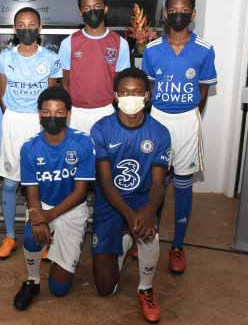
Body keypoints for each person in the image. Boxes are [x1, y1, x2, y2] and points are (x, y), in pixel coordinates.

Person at [142, 0, 217, 275]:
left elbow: (203, 89)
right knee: (157, 182)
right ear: (165, 14)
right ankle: (149, 238)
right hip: (158, 118)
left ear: (193, 14)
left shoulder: (205, 49)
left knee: (184, 182)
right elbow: (147, 89)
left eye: (184, 10)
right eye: (172, 9)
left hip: (186, 120)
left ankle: (178, 247)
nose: (178, 14)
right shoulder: (151, 50)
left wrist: (192, 116)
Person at [90, 68, 171, 323]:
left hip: (142, 199)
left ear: (148, 95)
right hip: (110, 201)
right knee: (105, 289)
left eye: (137, 92)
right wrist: (129, 216)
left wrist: (147, 213)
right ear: (115, 96)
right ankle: (125, 238)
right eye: (124, 92)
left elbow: (158, 183)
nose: (131, 97)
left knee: (148, 230)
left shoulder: (160, 132)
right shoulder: (101, 129)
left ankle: (145, 287)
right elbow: (104, 181)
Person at [12, 87, 95, 310]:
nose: (52, 117)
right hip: (44, 205)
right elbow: (31, 190)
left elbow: (80, 193)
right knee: (31, 236)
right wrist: (38, 217)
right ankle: (33, 280)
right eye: (47, 111)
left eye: (59, 112)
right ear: (39, 114)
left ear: (68, 114)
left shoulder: (83, 144)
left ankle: (62, 254)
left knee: (59, 290)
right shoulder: (29, 147)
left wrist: (48, 217)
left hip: (71, 208)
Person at [0, 7, 61, 260]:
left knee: (42, 184)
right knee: (11, 183)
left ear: (40, 28)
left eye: (31, 24)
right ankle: (10, 236)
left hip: (40, 124)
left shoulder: (51, 59)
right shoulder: (5, 58)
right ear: (14, 29)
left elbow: (52, 97)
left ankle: (45, 239)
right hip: (14, 123)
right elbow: (2, 98)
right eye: (20, 24)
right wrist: (13, 119)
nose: (26, 28)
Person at [59, 0, 130, 134]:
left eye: (97, 7)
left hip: (106, 111)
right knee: (77, 156)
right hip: (76, 113)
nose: (92, 11)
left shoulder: (120, 43)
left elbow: (121, 83)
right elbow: (65, 83)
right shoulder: (68, 42)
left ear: (105, 9)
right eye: (87, 8)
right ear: (81, 12)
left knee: (104, 156)